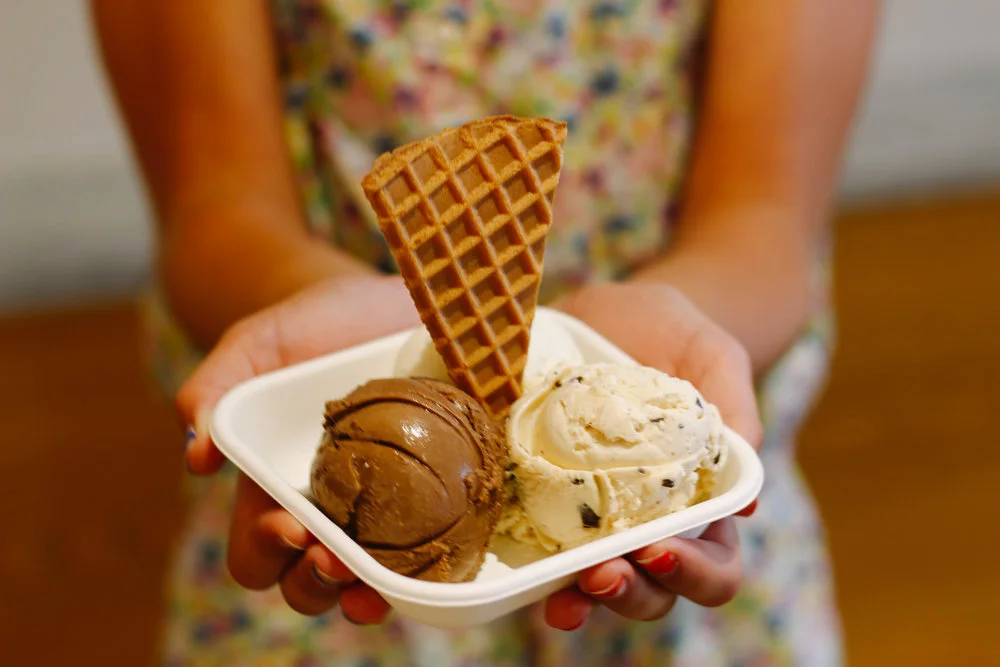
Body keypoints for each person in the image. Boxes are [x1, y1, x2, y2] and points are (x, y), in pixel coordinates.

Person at [92, 0, 878, 664]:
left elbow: (767, 219)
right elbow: (215, 207)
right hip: (339, 542)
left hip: (664, 530)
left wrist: (682, 334)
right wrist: (306, 305)